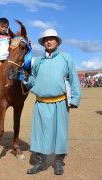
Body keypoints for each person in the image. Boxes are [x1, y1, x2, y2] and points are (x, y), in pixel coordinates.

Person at [25, 29, 81, 175]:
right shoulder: (37, 61)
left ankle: (58, 163)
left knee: (60, 134)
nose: (49, 41)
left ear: (57, 41)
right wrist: (24, 77)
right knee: (40, 134)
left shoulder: (66, 58)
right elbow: (32, 81)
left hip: (60, 102)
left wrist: (74, 99)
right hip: (41, 103)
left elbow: (74, 79)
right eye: (46, 39)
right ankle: (40, 163)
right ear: (43, 43)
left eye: (52, 39)